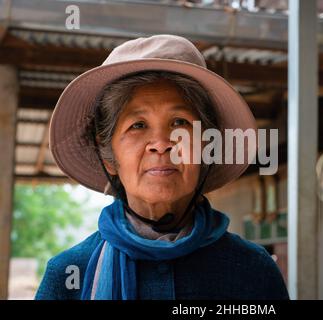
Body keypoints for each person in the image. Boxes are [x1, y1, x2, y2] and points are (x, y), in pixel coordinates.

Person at [35, 34, 289, 300]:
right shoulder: (68, 275)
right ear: (109, 157)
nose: (161, 144)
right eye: (138, 125)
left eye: (180, 122)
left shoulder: (252, 270)